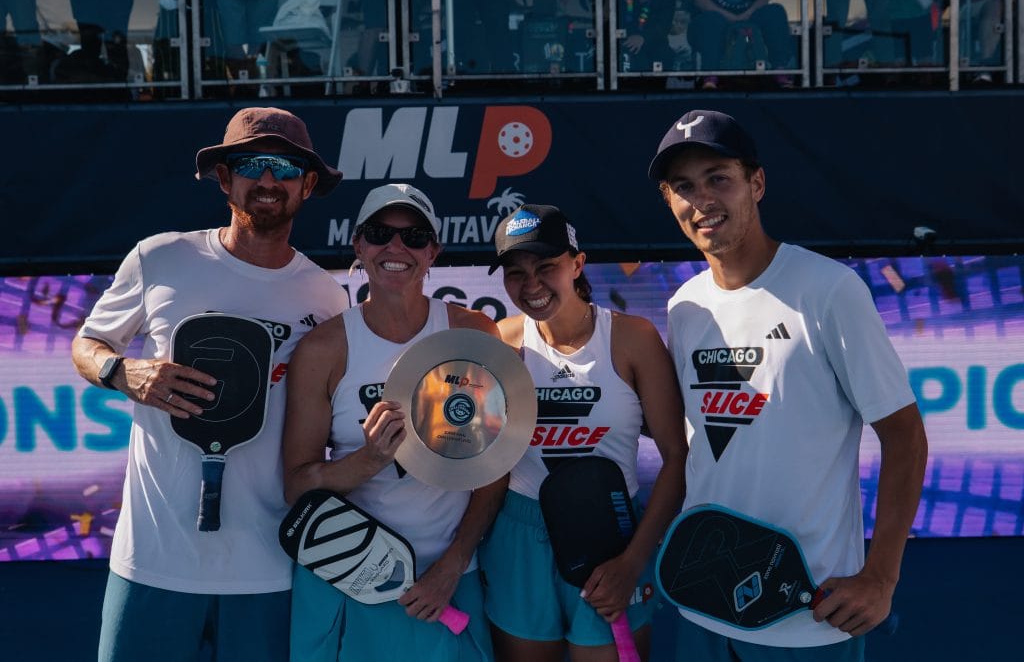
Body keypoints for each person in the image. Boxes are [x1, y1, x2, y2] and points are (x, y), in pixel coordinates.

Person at [70, 106, 348, 662]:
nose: (267, 180)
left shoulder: (326, 297)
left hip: (268, 565)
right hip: (153, 557)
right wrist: (122, 372)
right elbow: (87, 344)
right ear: (224, 178)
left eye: (285, 167)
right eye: (250, 164)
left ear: (307, 184)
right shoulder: (160, 257)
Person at [648, 109, 928, 659]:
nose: (702, 200)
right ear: (668, 200)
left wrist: (881, 577)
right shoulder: (685, 305)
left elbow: (905, 436)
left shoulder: (829, 290)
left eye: (718, 179)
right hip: (701, 607)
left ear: (757, 183)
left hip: (807, 617)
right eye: (684, 186)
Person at [282, 183, 502, 661]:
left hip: (446, 584)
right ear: (359, 246)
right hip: (348, 578)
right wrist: (370, 459)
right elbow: (297, 486)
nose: (396, 247)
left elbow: (496, 468)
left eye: (414, 237)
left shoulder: (474, 333)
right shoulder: (324, 349)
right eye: (380, 234)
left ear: (433, 252)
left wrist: (453, 564)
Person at [479, 204, 687, 661]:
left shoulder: (632, 338)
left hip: (611, 534)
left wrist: (633, 560)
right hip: (520, 530)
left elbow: (677, 455)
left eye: (546, 268)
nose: (531, 285)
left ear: (577, 264)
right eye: (516, 274)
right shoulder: (502, 341)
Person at [688, 0, 795, 89]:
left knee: (775, 11)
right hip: (717, 19)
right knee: (710, 21)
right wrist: (731, 17)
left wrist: (745, 15)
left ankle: (780, 71)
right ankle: (710, 75)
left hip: (750, 17)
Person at [618, 0, 676, 73]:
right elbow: (622, 23)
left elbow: (663, 26)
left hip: (656, 49)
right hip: (629, 46)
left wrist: (642, 37)